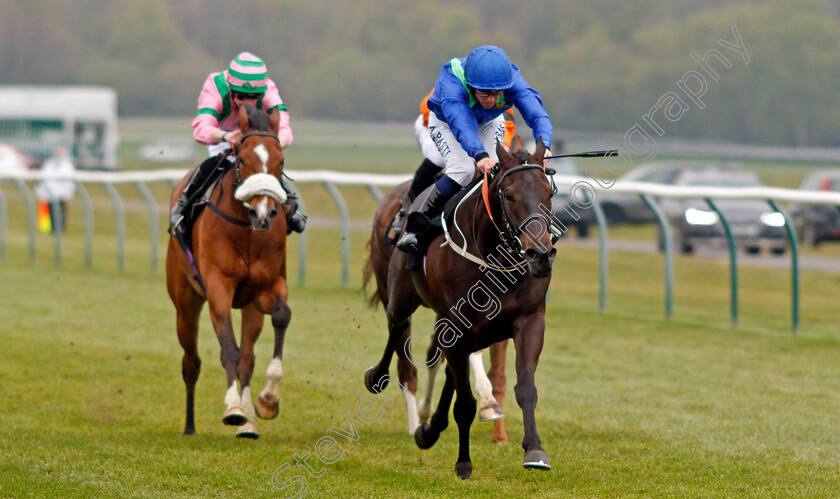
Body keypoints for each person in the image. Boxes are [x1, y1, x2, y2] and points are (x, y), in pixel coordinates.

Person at [396, 45, 553, 253]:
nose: (491, 99)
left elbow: (537, 113)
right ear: (470, 85)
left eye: (497, 93)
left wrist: (545, 145)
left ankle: (513, 230)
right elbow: (461, 123)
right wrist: (479, 154)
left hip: (489, 122)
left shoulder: (513, 82)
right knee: (463, 170)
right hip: (447, 123)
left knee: (499, 172)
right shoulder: (453, 84)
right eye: (484, 93)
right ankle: (416, 226)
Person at [170, 51, 306, 237]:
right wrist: (226, 136)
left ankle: (291, 208)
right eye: (241, 96)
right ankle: (182, 204)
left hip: (256, 137)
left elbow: (285, 129)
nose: (248, 103)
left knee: (266, 165)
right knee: (218, 163)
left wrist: (274, 144)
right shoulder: (216, 87)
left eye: (254, 97)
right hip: (223, 135)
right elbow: (201, 129)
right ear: (231, 89)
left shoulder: (268, 90)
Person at [391, 90, 516, 237]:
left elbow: (505, 126)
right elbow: (429, 110)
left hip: (474, 131)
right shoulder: (455, 87)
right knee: (439, 158)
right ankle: (405, 208)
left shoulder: (498, 94)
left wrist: (502, 152)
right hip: (436, 123)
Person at [36, 147, 76, 234]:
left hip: (62, 193)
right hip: (51, 192)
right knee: (52, 211)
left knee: (62, 211)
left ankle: (61, 228)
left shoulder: (66, 164)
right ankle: (54, 229)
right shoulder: (49, 163)